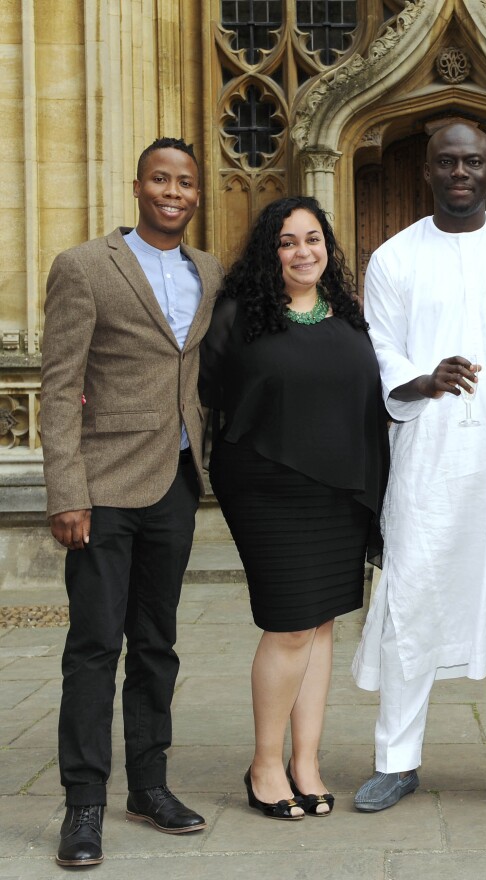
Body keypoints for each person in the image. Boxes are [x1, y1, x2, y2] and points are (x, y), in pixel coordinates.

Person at [351, 122, 486, 814]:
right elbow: (379, 351)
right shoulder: (394, 257)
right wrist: (423, 379)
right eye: (447, 161)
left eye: (472, 161)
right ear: (427, 172)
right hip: (430, 463)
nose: (460, 171)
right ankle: (397, 759)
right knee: (413, 599)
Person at [41, 138, 224, 867]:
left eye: (185, 181)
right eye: (160, 178)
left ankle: (149, 785)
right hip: (103, 487)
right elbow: (59, 385)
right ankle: (83, 803)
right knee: (93, 647)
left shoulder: (207, 271)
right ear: (139, 185)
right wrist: (67, 491)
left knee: (157, 647)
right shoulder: (85, 266)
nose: (172, 191)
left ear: (197, 194)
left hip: (176, 483)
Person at [199, 196, 389, 821]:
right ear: (269, 251)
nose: (303, 251)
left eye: (313, 239)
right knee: (288, 625)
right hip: (267, 485)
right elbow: (209, 392)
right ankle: (263, 764)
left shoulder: (350, 317)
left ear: (327, 248)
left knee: (324, 621)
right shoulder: (240, 316)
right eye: (287, 241)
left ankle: (305, 761)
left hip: (341, 491)